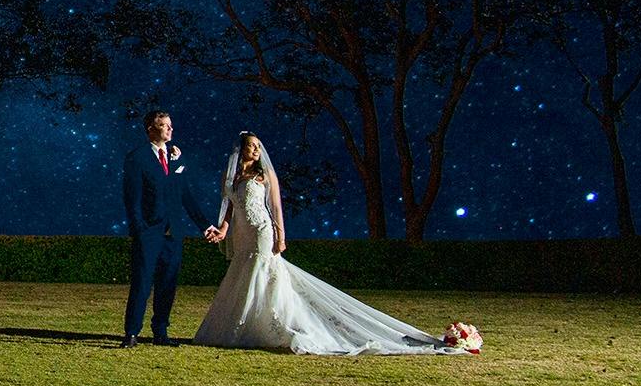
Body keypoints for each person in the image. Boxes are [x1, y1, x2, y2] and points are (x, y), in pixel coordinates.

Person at [193, 132, 458, 354]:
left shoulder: (265, 176)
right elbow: (229, 207)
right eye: (251, 145)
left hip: (263, 230)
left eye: (258, 146)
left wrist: (281, 236)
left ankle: (270, 325)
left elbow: (275, 207)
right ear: (241, 149)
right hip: (243, 234)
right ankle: (242, 325)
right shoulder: (232, 178)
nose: (256, 150)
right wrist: (224, 230)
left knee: (263, 274)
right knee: (243, 274)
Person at [119, 109, 223, 346]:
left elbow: (185, 195)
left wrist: (205, 225)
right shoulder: (137, 158)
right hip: (149, 231)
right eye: (164, 125)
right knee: (142, 283)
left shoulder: (177, 157)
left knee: (168, 283)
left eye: (170, 125)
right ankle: (132, 333)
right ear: (151, 129)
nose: (170, 129)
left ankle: (161, 332)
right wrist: (139, 229)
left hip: (173, 232)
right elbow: (132, 198)